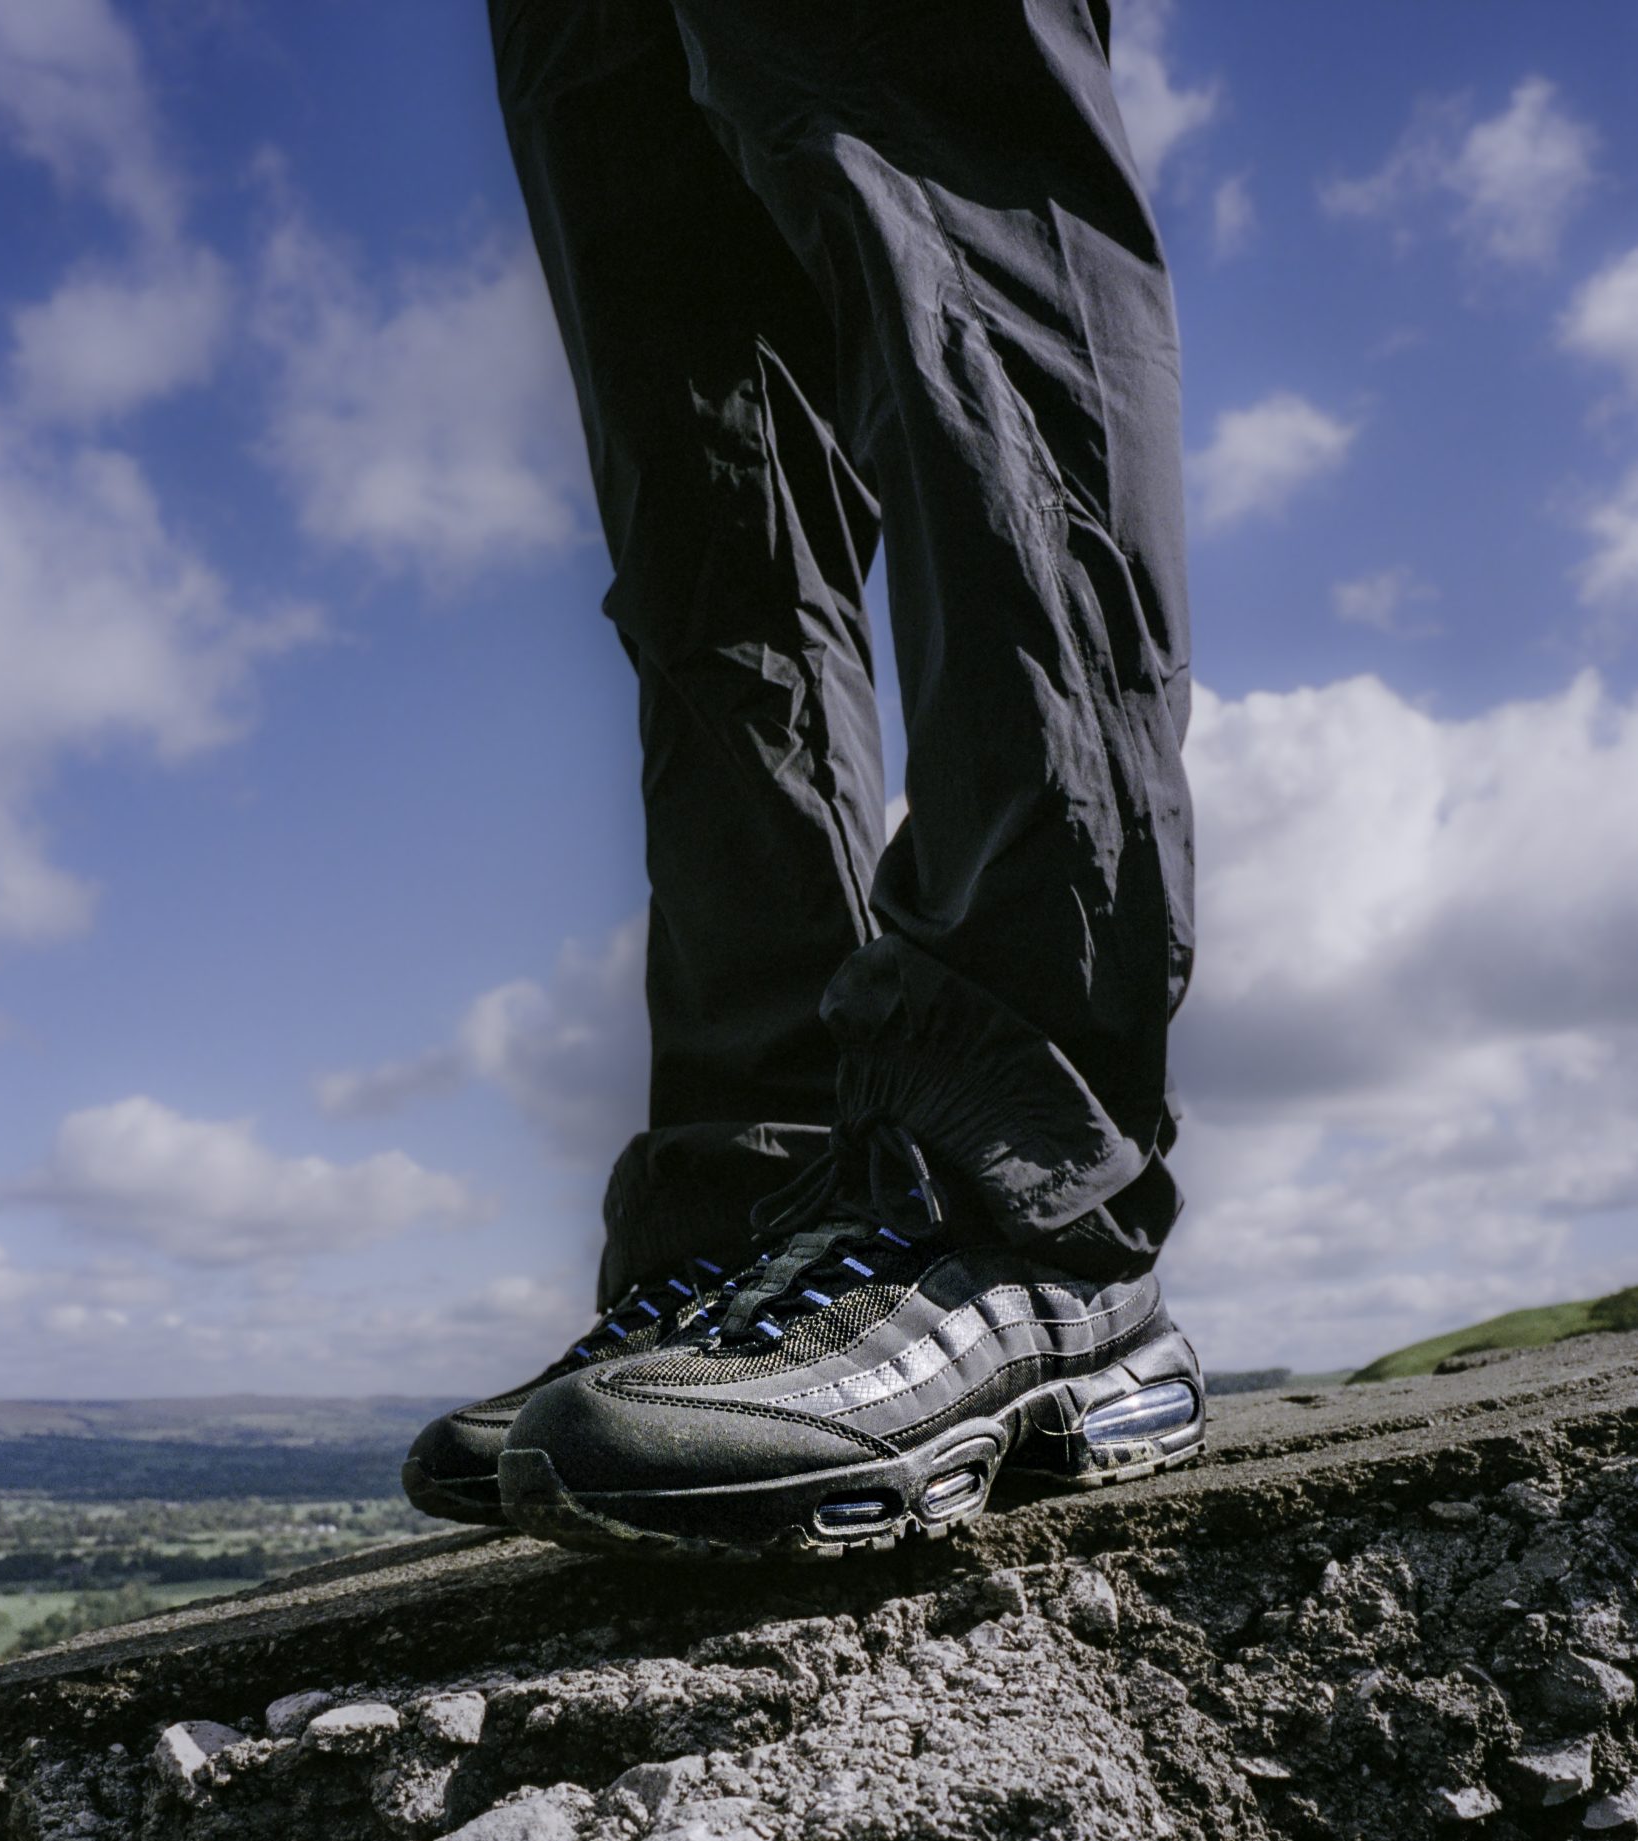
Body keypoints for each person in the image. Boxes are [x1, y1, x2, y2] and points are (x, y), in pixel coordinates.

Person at [403, 0, 1204, 1557]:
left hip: (1022, 1161)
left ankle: (1026, 1200)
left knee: (935, 187)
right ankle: (762, 1206)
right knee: (694, 454)